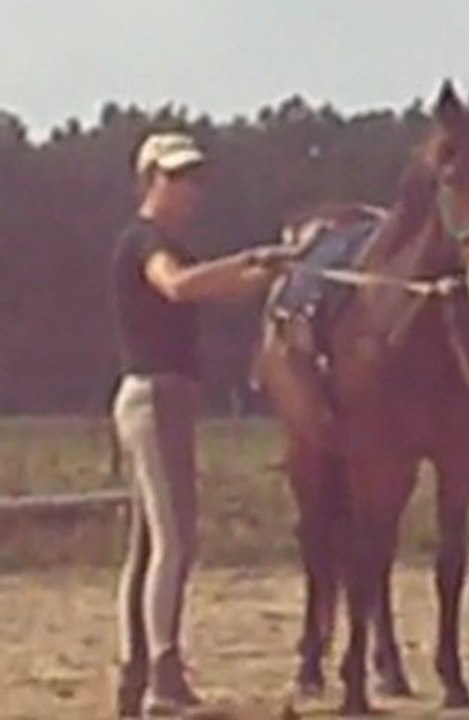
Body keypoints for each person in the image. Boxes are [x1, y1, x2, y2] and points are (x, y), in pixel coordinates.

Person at [109, 131, 304, 718]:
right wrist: (250, 259)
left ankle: (135, 670)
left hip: (162, 399)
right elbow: (177, 286)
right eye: (176, 177)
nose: (189, 189)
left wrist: (279, 268)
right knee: (176, 540)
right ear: (150, 181)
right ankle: (163, 681)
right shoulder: (146, 242)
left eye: (193, 177)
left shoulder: (171, 244)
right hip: (155, 398)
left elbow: (221, 289)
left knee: (148, 547)